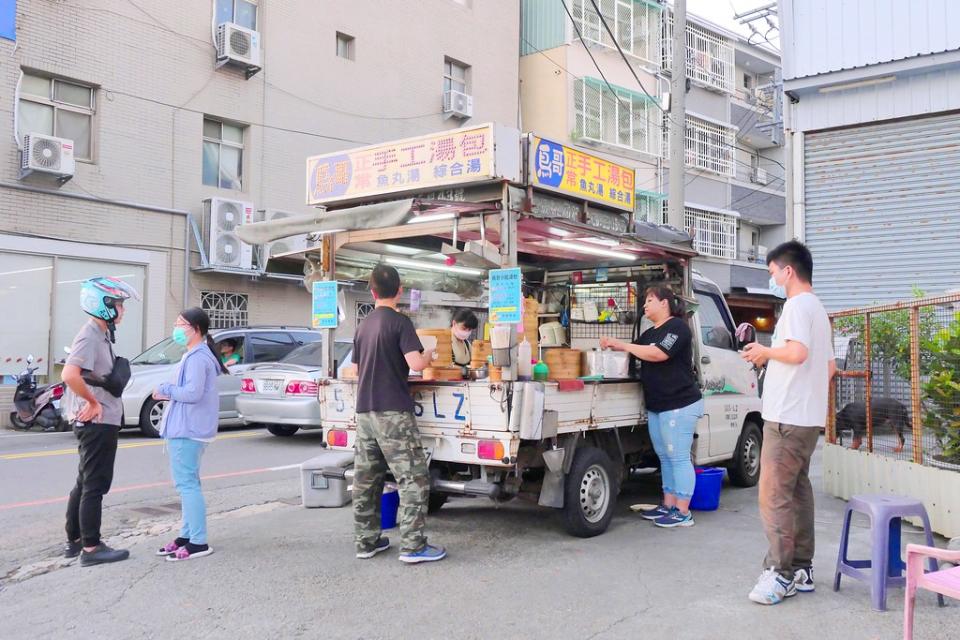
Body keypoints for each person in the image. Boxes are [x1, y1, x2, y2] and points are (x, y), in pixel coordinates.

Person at [741, 240, 835, 605]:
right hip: (807, 418)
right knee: (797, 491)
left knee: (773, 494)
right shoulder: (818, 309)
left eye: (773, 272)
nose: (773, 280)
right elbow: (828, 367)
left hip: (786, 418)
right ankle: (801, 568)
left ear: (788, 271)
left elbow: (797, 353)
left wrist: (765, 352)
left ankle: (780, 574)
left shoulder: (796, 305)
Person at [352, 264, 446, 563]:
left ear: (372, 291)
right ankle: (413, 546)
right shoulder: (400, 323)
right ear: (400, 291)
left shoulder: (363, 325)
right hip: (393, 412)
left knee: (367, 480)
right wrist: (429, 354)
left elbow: (354, 369)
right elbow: (416, 365)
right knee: (413, 478)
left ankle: (366, 542)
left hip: (364, 412)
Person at [601, 286, 703, 529]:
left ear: (664, 303)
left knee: (678, 457)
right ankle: (668, 505)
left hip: (680, 403)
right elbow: (638, 351)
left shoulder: (677, 327)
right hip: (658, 405)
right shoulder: (649, 333)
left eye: (649, 300)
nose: (644, 306)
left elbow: (659, 354)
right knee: (665, 457)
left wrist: (623, 345)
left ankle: (683, 511)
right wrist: (613, 346)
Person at [62, 276, 141, 567]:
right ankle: (92, 549)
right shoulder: (90, 335)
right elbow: (69, 375)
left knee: (85, 482)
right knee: (95, 484)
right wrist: (93, 403)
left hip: (99, 420)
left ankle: (75, 541)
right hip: (97, 421)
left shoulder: (101, 333)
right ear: (104, 305)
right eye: (119, 304)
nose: (123, 309)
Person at [153, 308, 226, 562]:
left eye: (180, 324)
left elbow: (192, 393)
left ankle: (198, 541)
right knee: (187, 485)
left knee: (187, 486)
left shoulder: (197, 358)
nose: (176, 328)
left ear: (195, 329)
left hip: (187, 429)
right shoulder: (195, 354)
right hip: (187, 427)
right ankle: (187, 536)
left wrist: (165, 389)